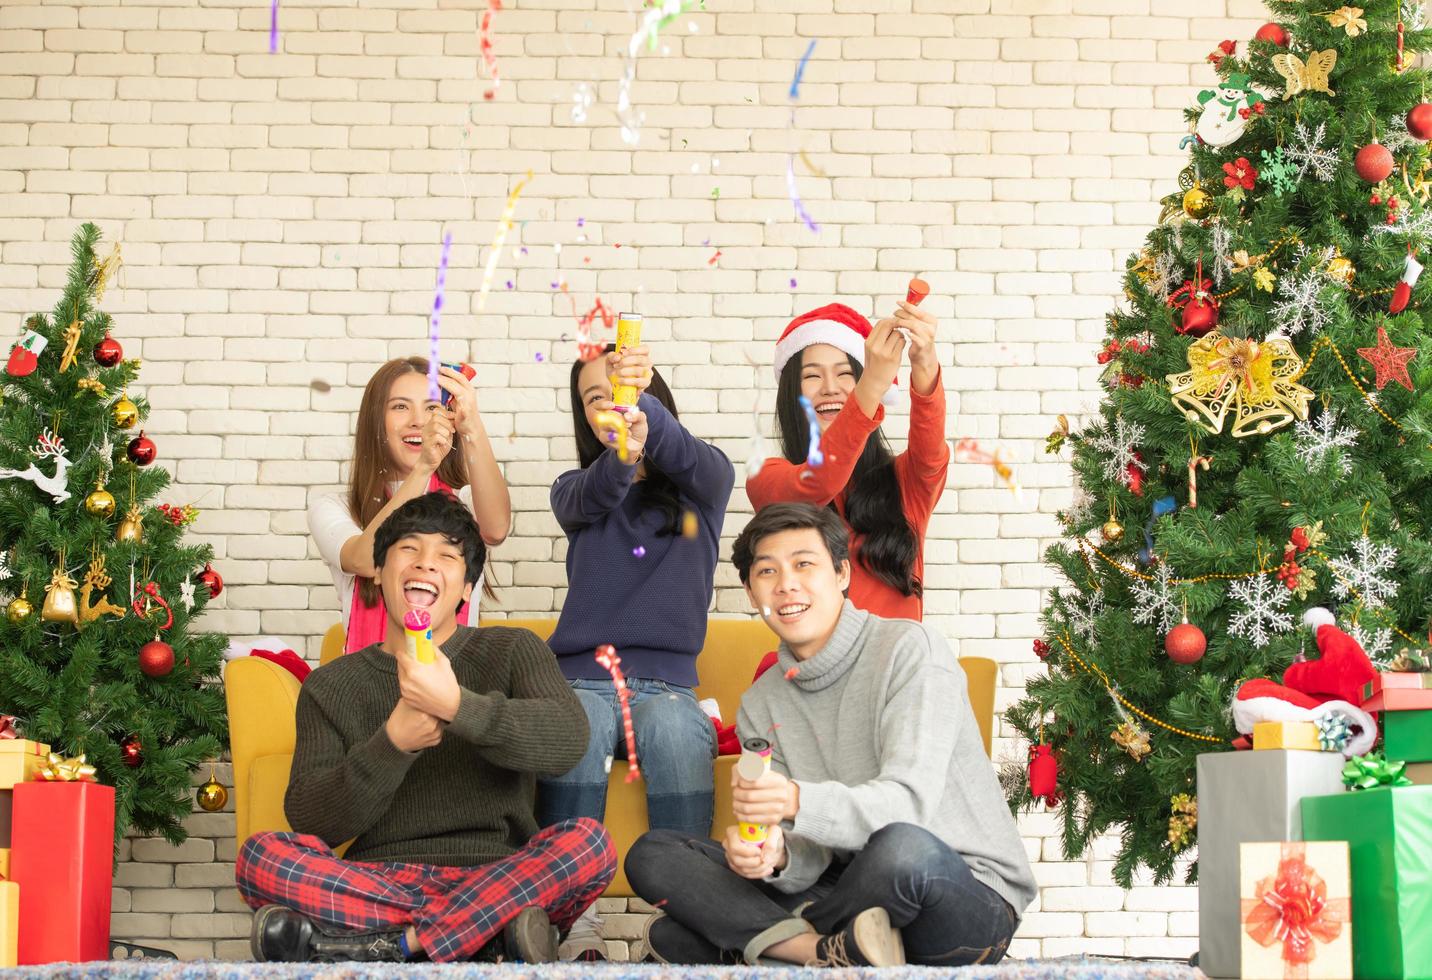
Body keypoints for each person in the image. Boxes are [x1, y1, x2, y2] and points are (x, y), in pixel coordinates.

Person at [625, 503, 1036, 968]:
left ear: (841, 573)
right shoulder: (762, 702)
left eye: (804, 564)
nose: (786, 584)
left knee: (901, 849)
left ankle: (759, 941)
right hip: (843, 885)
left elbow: (908, 808)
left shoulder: (911, 651)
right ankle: (822, 951)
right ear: (749, 591)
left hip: (957, 890)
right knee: (654, 854)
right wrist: (775, 854)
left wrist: (795, 801)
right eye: (767, 572)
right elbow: (808, 852)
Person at [238, 492, 615, 963]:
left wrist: (458, 707)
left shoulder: (513, 650)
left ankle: (398, 944)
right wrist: (393, 743)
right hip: (381, 880)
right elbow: (311, 820)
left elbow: (567, 740)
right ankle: (481, 935)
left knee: (587, 845)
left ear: (465, 588)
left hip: (495, 872)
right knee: (262, 856)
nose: (426, 564)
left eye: (447, 555)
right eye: (409, 549)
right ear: (379, 571)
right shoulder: (332, 684)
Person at [539, 342, 735, 838]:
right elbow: (601, 491)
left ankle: (684, 901)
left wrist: (642, 407)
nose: (609, 405)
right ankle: (566, 910)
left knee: (674, 731)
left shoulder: (705, 487)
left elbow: (693, 457)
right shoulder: (572, 490)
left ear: (651, 395)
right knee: (576, 727)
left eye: (618, 390)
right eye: (592, 398)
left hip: (665, 687)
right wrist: (626, 455)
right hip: (582, 683)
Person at [746, 301, 948, 622]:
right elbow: (821, 479)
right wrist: (870, 385)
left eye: (845, 374)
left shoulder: (904, 482)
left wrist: (924, 362)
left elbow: (931, 445)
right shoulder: (767, 479)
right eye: (812, 376)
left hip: (898, 668)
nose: (830, 388)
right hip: (818, 669)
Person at [308, 357, 511, 653]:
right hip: (366, 686)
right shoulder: (334, 507)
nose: (418, 420)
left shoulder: (464, 501)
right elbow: (365, 559)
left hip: (455, 686)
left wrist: (471, 427)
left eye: (431, 407)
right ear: (376, 421)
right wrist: (424, 467)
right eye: (400, 406)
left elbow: (496, 530)